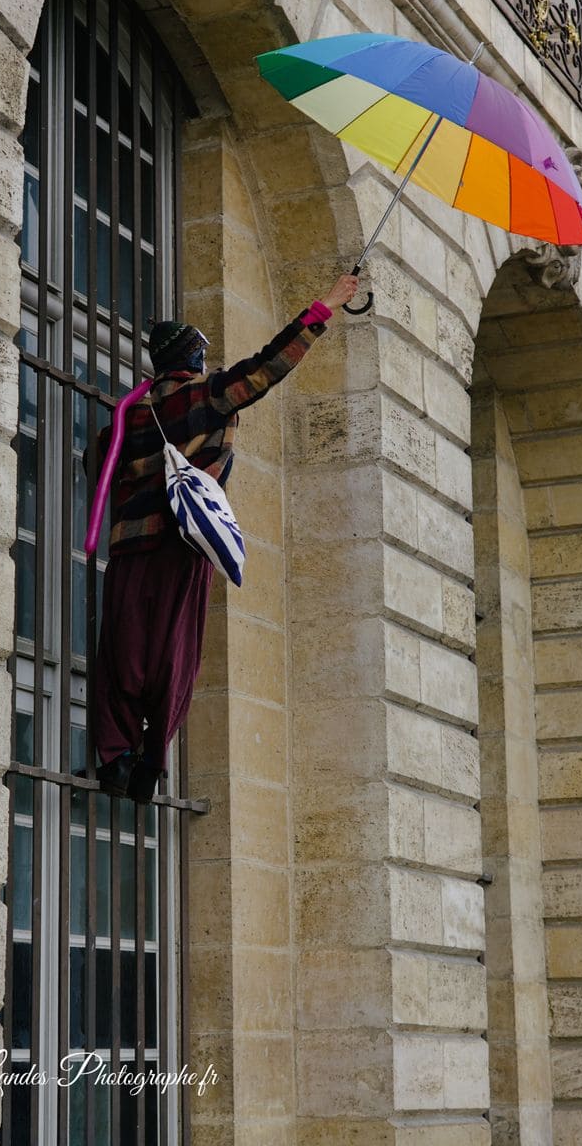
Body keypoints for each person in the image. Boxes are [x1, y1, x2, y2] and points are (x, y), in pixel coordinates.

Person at [87, 272, 360, 803]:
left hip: (129, 548)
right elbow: (267, 368)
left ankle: (113, 756)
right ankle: (152, 759)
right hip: (183, 541)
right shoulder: (206, 397)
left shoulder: (126, 416)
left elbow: (96, 465)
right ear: (190, 357)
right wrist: (323, 308)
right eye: (201, 353)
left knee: (122, 653)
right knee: (174, 655)